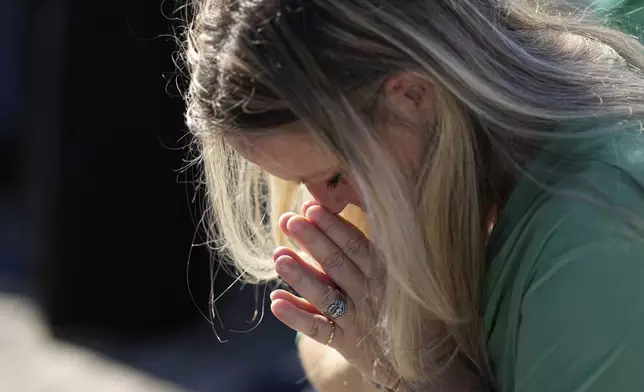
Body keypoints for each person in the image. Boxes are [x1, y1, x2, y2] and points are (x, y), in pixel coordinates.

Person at [182, 1, 644, 391]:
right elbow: (324, 355)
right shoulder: (438, 157)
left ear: (412, 97)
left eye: (337, 175)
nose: (323, 207)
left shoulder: (595, 240)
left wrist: (420, 367)